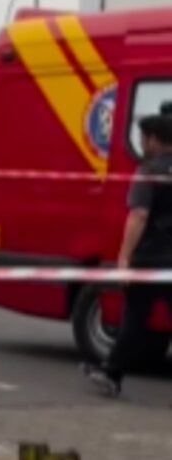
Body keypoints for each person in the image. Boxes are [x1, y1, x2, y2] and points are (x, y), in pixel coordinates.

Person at [83, 114, 172, 397]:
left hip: (151, 258)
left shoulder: (148, 171)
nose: (141, 143)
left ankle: (111, 375)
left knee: (134, 319)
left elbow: (138, 215)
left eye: (143, 138)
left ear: (154, 140)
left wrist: (124, 257)